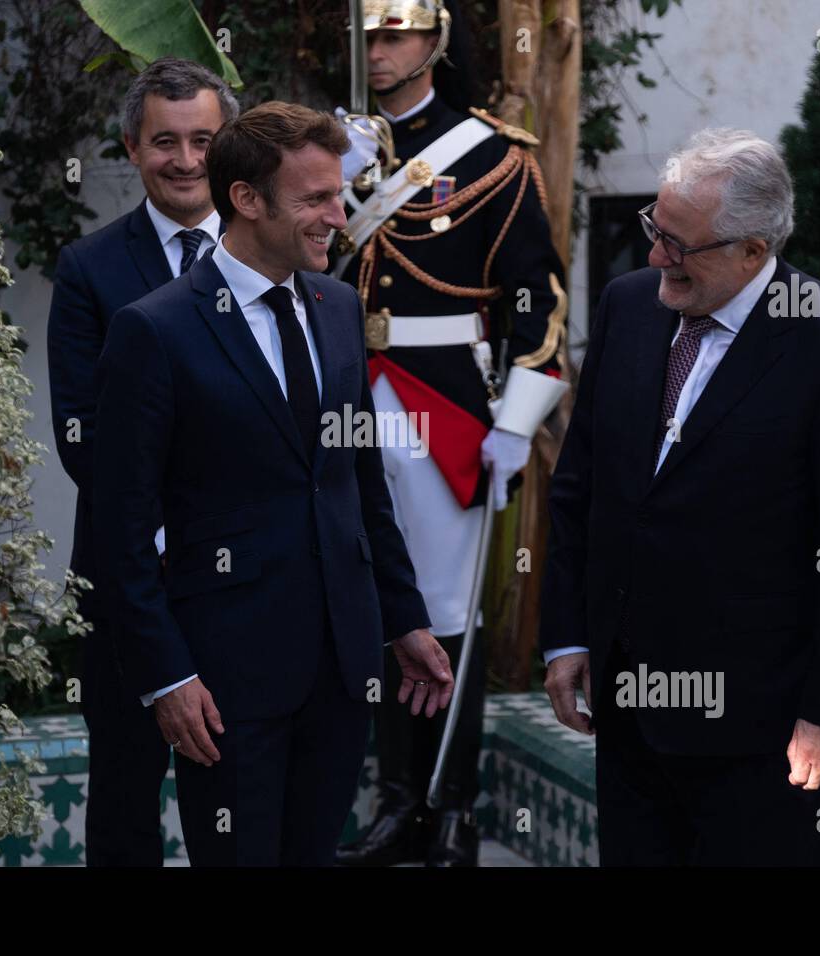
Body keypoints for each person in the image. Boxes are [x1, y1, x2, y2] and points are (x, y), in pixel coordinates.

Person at [90, 101, 455, 867]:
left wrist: (403, 619)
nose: (337, 215)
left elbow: (358, 484)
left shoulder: (338, 308)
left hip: (341, 667)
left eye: (338, 194)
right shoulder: (154, 329)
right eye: (316, 199)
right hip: (224, 685)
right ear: (247, 200)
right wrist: (167, 678)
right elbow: (118, 528)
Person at [540, 128, 820, 866]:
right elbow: (584, 485)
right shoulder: (628, 305)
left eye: (679, 244)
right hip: (633, 715)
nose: (655, 258)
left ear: (753, 250)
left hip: (761, 735)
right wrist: (570, 636)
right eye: (655, 231)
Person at [333, 0, 568, 867]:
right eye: (368, 37)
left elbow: (536, 302)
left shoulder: (494, 157)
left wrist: (515, 421)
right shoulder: (330, 153)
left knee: (441, 612)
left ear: (434, 41)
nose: (379, 51)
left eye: (395, 34)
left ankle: (452, 809)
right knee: (372, 609)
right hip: (350, 399)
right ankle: (397, 803)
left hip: (445, 405)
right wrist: (330, 185)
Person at [46, 57, 237, 866]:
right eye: (166, 142)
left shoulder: (273, 258)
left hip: (244, 584)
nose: (187, 161)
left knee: (235, 798)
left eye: (204, 141)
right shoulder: (91, 269)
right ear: (132, 146)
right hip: (129, 578)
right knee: (125, 796)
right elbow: (81, 433)